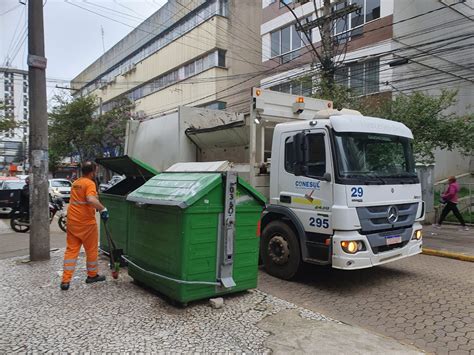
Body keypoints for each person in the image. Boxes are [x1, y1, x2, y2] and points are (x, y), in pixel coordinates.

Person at [60, 161, 110, 291]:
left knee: (71, 250)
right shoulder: (89, 183)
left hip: (72, 222)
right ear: (92, 171)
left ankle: (65, 281)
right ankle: (92, 275)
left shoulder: (76, 183)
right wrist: (103, 209)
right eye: (96, 170)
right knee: (91, 250)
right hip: (86, 223)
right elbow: (91, 199)